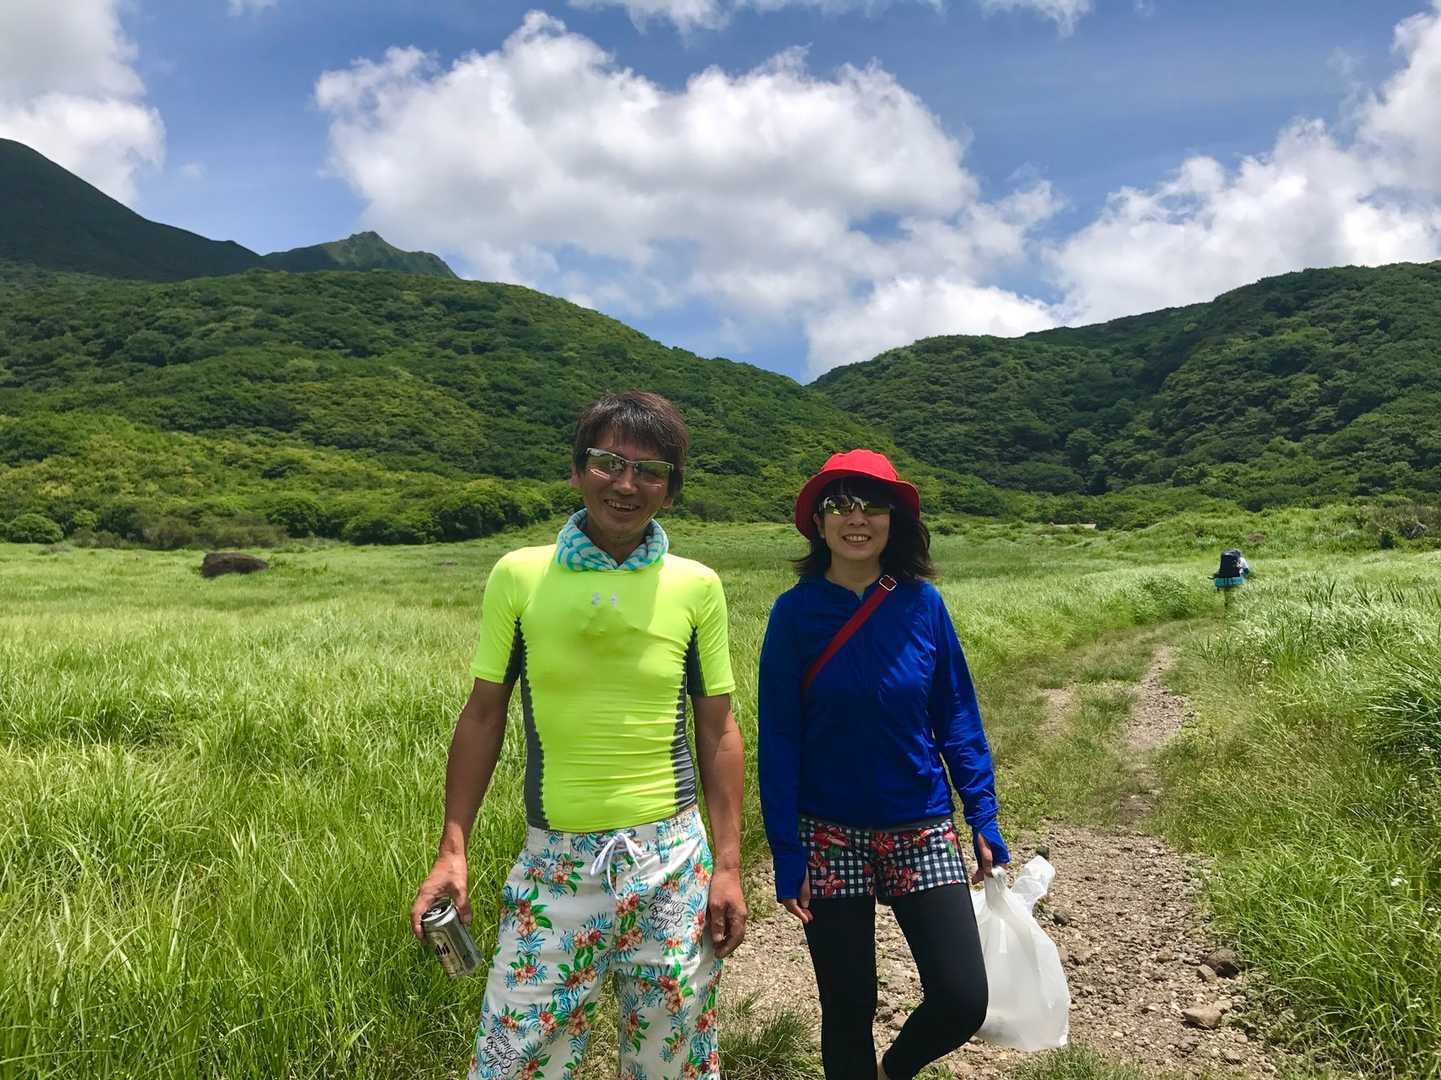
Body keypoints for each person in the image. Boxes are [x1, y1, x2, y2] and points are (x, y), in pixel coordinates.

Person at [411, 391, 747, 1080]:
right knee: (513, 1057)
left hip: (671, 861)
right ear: (575, 471)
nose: (626, 484)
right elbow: (483, 715)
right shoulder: (520, 575)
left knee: (672, 1062)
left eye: (650, 471)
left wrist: (728, 865)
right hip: (555, 863)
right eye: (608, 463)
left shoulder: (696, 586)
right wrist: (452, 850)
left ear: (670, 491)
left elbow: (717, 729)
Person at [757, 449, 1010, 1080]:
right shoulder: (794, 613)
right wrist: (787, 851)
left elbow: (956, 713)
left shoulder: (922, 604)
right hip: (827, 831)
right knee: (849, 1006)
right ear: (818, 523)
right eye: (839, 505)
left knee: (962, 997)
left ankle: (891, 1071)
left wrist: (981, 814)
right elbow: (779, 737)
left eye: (873, 505)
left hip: (920, 824)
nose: (857, 518)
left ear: (894, 520)